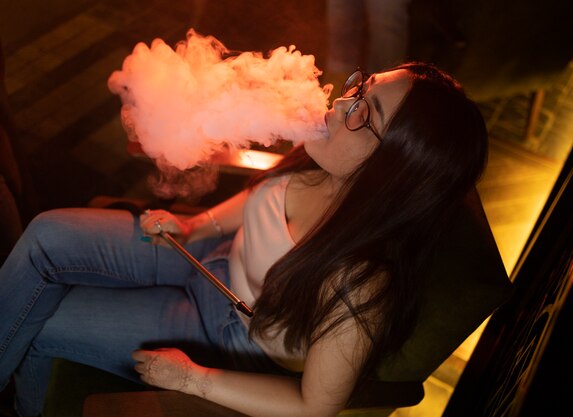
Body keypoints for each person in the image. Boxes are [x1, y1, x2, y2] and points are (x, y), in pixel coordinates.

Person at [0, 61, 489, 417]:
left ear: (395, 169)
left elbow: (315, 406)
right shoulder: (323, 162)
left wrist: (194, 380)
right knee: (46, 235)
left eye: (365, 111)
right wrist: (195, 224)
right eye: (360, 87)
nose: (341, 102)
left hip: (230, 332)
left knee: (44, 324)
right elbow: (263, 199)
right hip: (207, 258)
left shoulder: (362, 283)